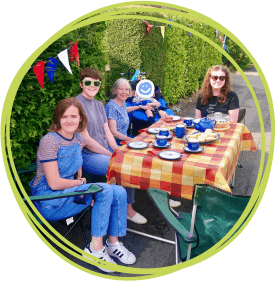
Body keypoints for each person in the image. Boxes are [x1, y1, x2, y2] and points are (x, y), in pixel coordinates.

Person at [29, 98, 136, 273]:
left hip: (70, 194)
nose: (69, 120)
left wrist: (111, 155)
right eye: (64, 117)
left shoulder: (78, 138)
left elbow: (77, 154)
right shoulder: (49, 141)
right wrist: (80, 182)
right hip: (50, 200)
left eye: (73, 116)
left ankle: (113, 243)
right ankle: (95, 249)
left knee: (119, 191)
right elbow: (55, 183)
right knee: (104, 190)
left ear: (80, 119)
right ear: (57, 119)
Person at [76, 68, 147, 224]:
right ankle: (127, 209)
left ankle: (121, 204)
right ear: (81, 84)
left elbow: (108, 131)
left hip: (103, 150)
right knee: (124, 167)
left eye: (96, 83)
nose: (92, 85)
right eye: (88, 82)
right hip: (87, 155)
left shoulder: (99, 104)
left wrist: (116, 149)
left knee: (130, 158)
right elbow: (87, 141)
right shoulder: (77, 104)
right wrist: (113, 155)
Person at [106, 78, 181, 209]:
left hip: (126, 139)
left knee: (155, 154)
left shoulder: (122, 103)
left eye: (126, 89)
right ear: (114, 90)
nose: (124, 92)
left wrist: (140, 106)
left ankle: (161, 195)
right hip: (118, 141)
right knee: (147, 160)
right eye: (121, 89)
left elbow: (126, 109)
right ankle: (129, 207)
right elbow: (113, 132)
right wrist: (133, 140)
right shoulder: (111, 106)